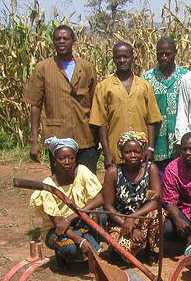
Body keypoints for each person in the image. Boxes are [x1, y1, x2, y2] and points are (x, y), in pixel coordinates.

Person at [24, 25, 99, 173]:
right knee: (61, 182)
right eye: (58, 39)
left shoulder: (86, 67)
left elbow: (95, 103)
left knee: (88, 183)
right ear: (53, 42)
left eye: (66, 38)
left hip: (84, 134)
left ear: (73, 41)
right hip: (58, 136)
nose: (62, 42)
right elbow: (35, 105)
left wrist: (101, 140)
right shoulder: (43, 68)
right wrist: (34, 142)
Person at [29, 136, 103, 267]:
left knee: (101, 213)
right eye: (61, 158)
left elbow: (100, 197)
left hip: (80, 220)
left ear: (75, 158)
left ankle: (91, 250)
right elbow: (59, 225)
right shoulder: (48, 186)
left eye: (71, 158)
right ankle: (63, 256)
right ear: (55, 160)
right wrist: (80, 241)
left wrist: (73, 216)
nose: (67, 162)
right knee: (71, 248)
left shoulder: (82, 171)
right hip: (56, 230)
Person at [89, 42, 162, 168]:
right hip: (116, 153)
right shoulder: (104, 87)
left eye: (126, 57)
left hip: (141, 152)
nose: (122, 60)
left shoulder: (144, 86)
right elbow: (101, 123)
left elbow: (152, 120)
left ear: (132, 58)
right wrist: (107, 153)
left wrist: (150, 148)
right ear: (113, 59)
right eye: (118, 57)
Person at [102, 131, 163, 263]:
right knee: (124, 253)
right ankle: (122, 250)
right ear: (121, 153)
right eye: (128, 152)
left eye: (137, 151)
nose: (133, 155)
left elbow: (155, 200)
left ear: (143, 152)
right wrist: (127, 222)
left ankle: (149, 248)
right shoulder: (113, 172)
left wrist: (133, 217)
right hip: (120, 220)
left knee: (159, 213)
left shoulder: (150, 169)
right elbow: (108, 205)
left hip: (142, 217)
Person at [142, 37, 189, 170]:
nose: (164, 57)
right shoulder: (147, 79)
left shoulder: (186, 77)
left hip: (180, 144)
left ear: (175, 53)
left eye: (168, 54)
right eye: (160, 54)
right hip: (156, 145)